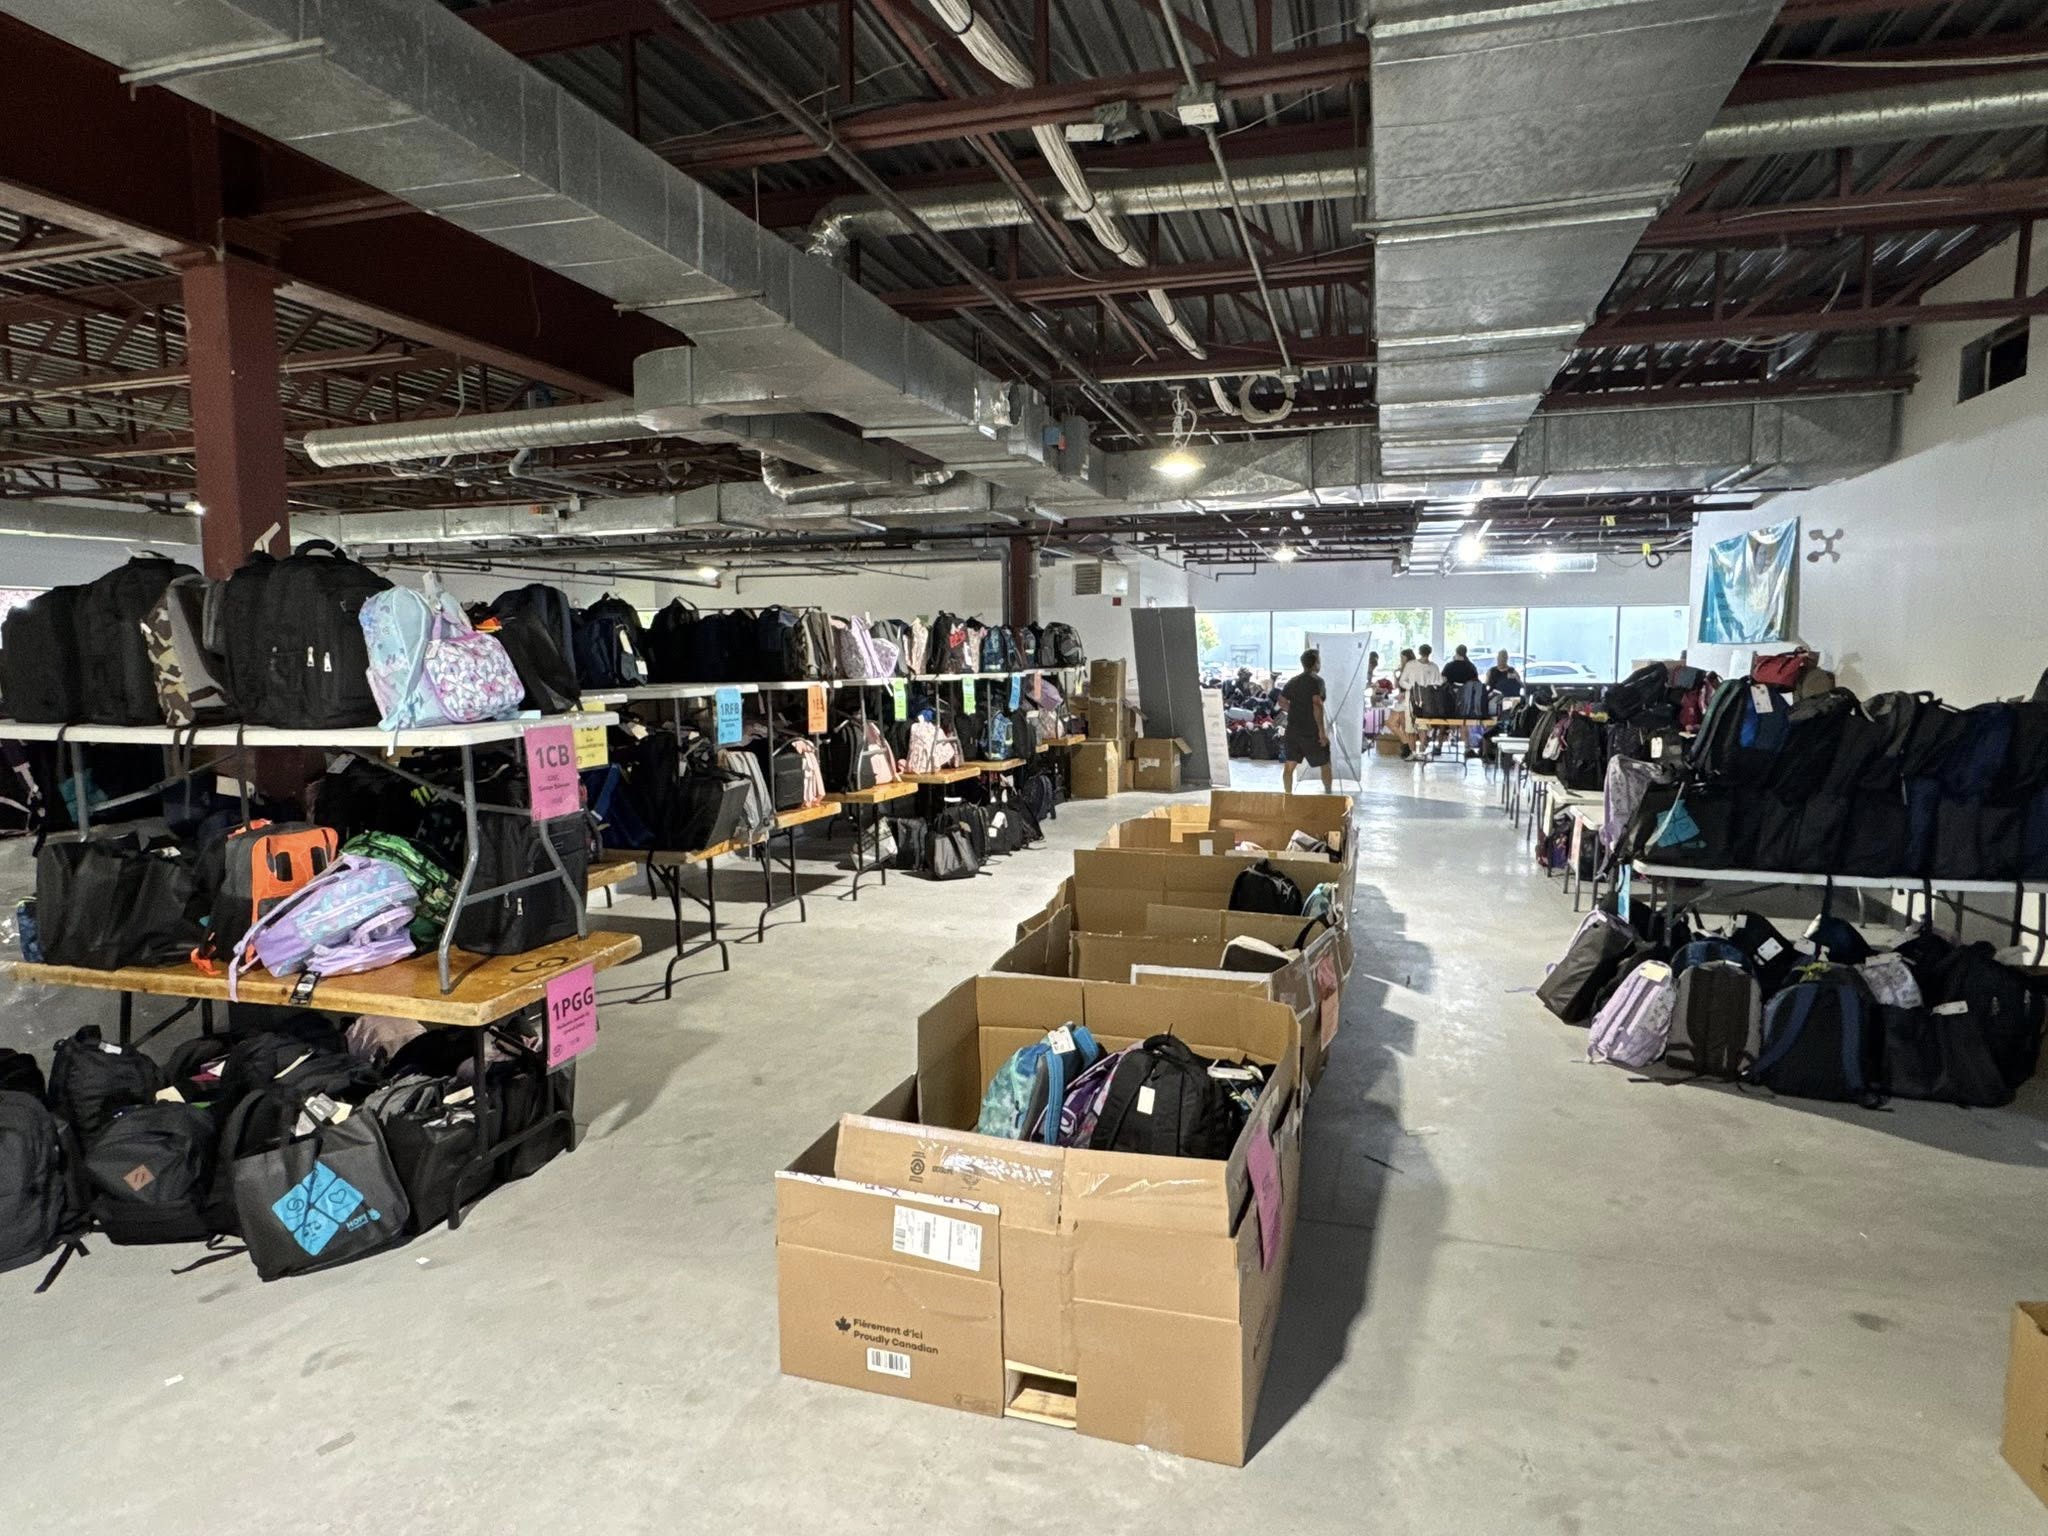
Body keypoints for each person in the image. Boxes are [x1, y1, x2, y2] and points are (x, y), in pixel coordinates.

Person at [1279, 648, 1332, 794]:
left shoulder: (1293, 681)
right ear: (1315, 663)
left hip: (1293, 730)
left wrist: (1295, 710)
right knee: (1325, 763)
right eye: (1319, 661)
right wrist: (1321, 732)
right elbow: (1317, 704)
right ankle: (1328, 793)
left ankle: (1288, 795)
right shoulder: (1317, 681)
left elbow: (1282, 701)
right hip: (1311, 731)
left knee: (1289, 765)